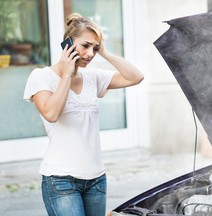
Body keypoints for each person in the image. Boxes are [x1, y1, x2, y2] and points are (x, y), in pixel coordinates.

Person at [23, 13, 144, 216]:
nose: (90, 54)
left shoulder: (92, 77)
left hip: (96, 180)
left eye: (94, 48)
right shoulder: (41, 76)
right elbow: (51, 113)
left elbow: (136, 77)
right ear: (67, 44)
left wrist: (104, 52)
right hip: (61, 181)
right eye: (85, 45)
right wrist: (67, 75)